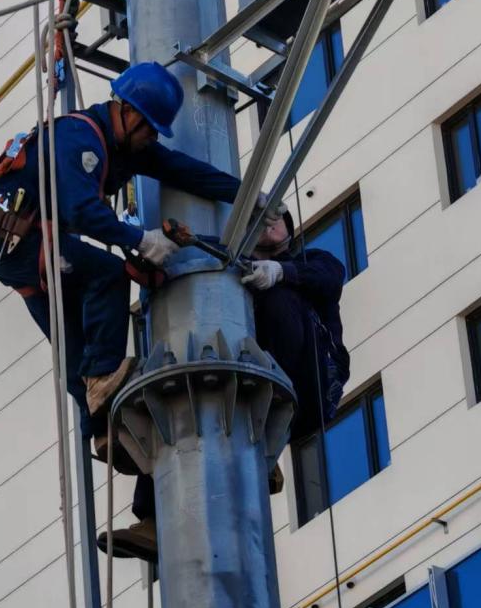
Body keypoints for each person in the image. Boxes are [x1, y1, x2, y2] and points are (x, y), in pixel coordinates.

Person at [0, 62, 256, 450]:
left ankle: (104, 432)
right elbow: (82, 211)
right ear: (129, 114)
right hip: (21, 242)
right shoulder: (79, 140)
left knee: (75, 348)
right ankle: (105, 377)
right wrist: (141, 239)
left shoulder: (124, 148)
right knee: (108, 275)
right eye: (150, 128)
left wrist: (245, 194)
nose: (152, 138)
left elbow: (180, 169)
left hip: (22, 251)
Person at [101, 209, 351, 561]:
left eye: (279, 216)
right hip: (255, 377)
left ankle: (265, 440)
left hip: (311, 381)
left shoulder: (312, 262)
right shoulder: (232, 271)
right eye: (260, 218)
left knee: (277, 300)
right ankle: (153, 518)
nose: (271, 221)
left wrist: (282, 271)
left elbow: (330, 276)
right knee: (181, 373)